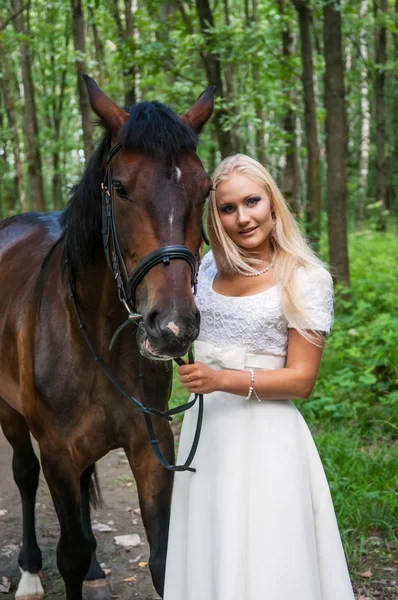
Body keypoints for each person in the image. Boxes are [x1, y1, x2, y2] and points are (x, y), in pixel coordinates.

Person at [163, 154, 354, 600]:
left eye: (252, 201)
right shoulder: (206, 268)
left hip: (267, 439)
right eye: (228, 208)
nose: (243, 218)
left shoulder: (305, 278)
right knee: (213, 543)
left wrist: (221, 379)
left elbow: (301, 380)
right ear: (215, 214)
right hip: (207, 433)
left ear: (272, 201)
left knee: (269, 554)